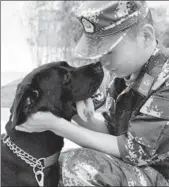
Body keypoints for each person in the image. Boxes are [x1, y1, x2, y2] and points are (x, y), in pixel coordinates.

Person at [16, 1, 169, 186]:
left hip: (161, 176)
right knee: (62, 163)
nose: (102, 61)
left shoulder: (165, 79)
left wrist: (57, 125)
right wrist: (74, 110)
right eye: (99, 52)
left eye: (110, 52)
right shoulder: (123, 77)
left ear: (145, 36)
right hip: (140, 172)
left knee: (81, 166)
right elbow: (111, 130)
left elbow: (130, 149)